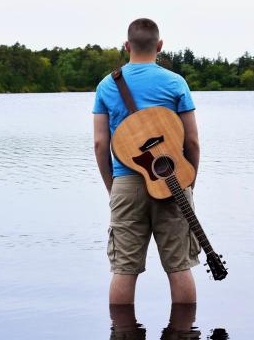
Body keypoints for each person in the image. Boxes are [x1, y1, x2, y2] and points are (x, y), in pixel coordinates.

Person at [93, 18, 201, 305]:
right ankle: (184, 333)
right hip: (173, 182)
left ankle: (122, 332)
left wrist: (113, 187)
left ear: (127, 46)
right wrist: (188, 182)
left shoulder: (106, 85)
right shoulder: (175, 82)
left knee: (123, 269)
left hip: (125, 182)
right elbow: (192, 142)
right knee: (179, 266)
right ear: (160, 46)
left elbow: (100, 143)